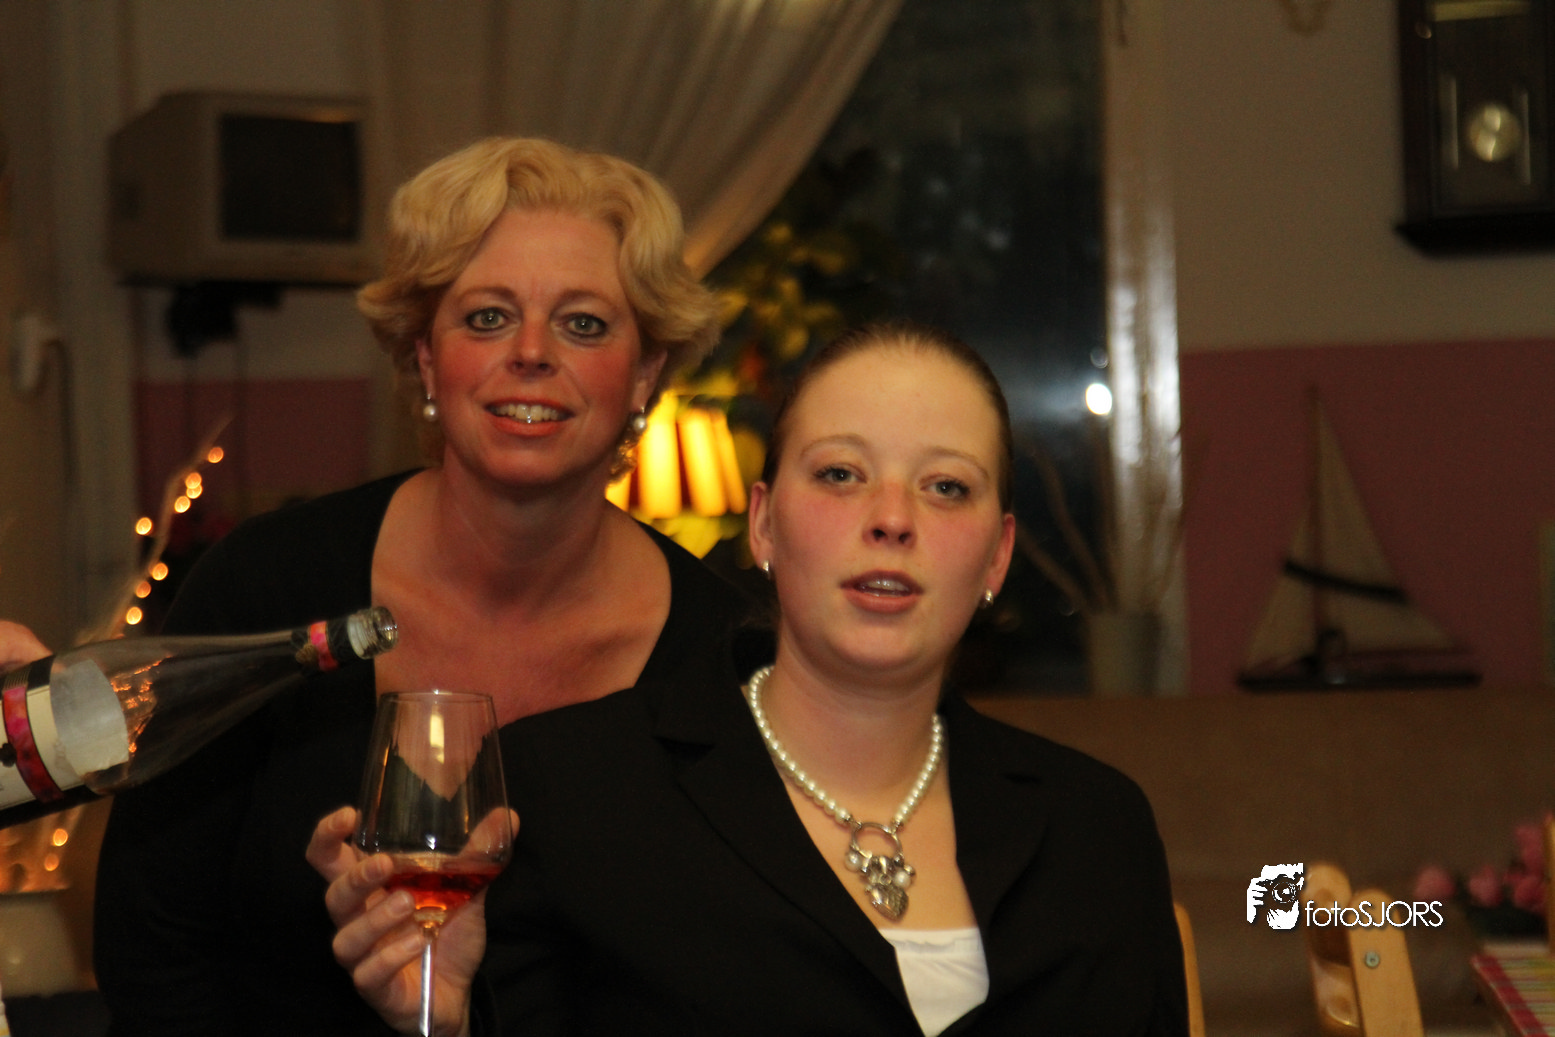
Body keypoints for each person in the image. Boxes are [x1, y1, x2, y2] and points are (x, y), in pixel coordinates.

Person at [314, 323, 1189, 1036]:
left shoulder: (1099, 829)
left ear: (996, 554)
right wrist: (443, 1023)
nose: (891, 519)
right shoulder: (563, 793)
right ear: (764, 525)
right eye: (841, 474)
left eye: (946, 487)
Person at [67, 137, 748, 1036]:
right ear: (425, 358)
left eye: (583, 323)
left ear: (646, 372)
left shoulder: (726, 656)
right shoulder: (266, 586)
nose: (531, 352)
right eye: (487, 317)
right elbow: (151, 947)